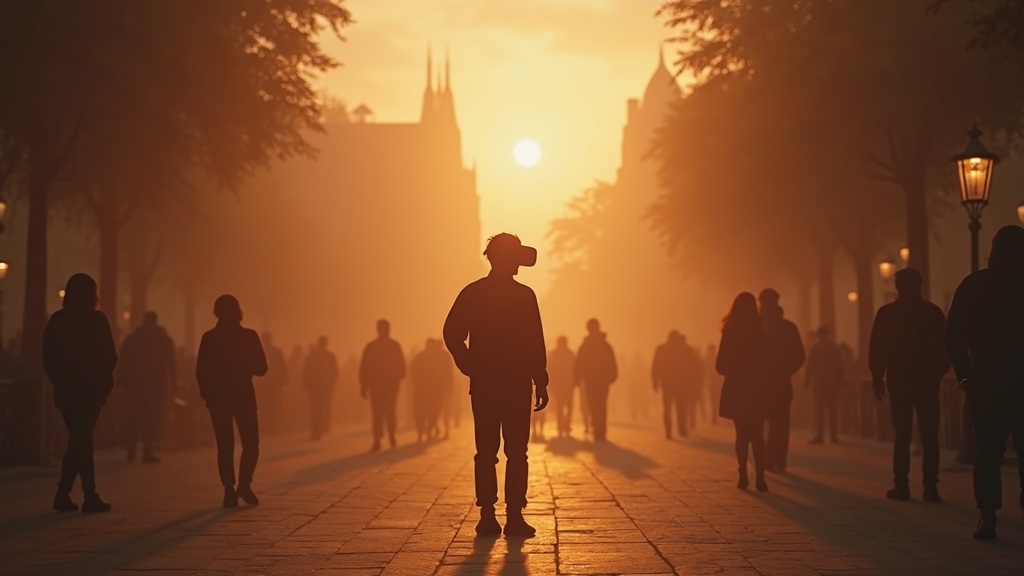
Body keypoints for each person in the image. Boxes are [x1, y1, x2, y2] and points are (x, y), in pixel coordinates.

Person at [443, 233, 549, 537]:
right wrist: (539, 379)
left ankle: (488, 515)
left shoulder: (474, 293)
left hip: (486, 385)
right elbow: (535, 342)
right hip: (515, 385)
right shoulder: (524, 296)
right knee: (517, 452)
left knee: (486, 452)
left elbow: (451, 333)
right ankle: (513, 516)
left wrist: (470, 365)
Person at [945, 225, 1024, 540]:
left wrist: (965, 374)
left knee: (988, 453)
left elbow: (954, 336)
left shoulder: (975, 285)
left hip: (988, 383)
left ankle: (988, 514)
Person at [869, 267, 947, 505]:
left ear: (897, 286)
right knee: (930, 436)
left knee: (902, 435)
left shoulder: (887, 314)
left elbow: (878, 348)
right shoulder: (933, 313)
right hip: (927, 383)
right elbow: (946, 347)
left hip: (899, 382)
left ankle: (901, 484)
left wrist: (877, 377)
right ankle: (931, 486)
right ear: (919, 285)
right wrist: (937, 373)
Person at [43, 273, 117, 513]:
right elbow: (110, 355)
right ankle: (88, 495)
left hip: (68, 391)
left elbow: (49, 359)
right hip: (91, 390)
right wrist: (102, 379)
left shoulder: (58, 321)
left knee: (79, 439)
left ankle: (64, 493)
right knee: (83, 440)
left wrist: (61, 379)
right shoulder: (97, 320)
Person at [196, 294, 268, 508]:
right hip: (236, 397)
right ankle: (239, 485)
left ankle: (234, 487)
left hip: (225, 399)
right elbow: (261, 368)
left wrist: (208, 395)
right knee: (247, 443)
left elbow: (201, 371)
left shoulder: (212, 338)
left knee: (228, 445)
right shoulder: (246, 337)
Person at [717, 292, 770, 492]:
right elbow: (768, 362)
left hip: (737, 388)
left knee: (742, 434)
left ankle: (743, 474)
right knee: (757, 435)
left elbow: (720, 365)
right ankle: (760, 475)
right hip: (756, 389)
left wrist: (734, 369)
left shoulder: (729, 332)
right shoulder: (760, 332)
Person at [117, 311, 176, 463]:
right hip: (156, 384)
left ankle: (131, 449)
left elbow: (123, 360)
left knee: (134, 415)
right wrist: (173, 384)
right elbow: (172, 362)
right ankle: (147, 450)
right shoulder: (163, 338)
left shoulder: (132, 338)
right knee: (152, 417)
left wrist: (120, 380)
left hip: (135, 384)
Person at [758, 288, 805, 472]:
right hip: (780, 382)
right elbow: (799, 356)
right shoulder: (789, 328)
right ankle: (777, 457)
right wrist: (786, 371)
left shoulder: (757, 327)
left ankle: (769, 457)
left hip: (763, 383)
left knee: (762, 422)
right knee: (781, 422)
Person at [359, 319, 406, 451]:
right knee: (389, 411)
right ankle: (390, 435)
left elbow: (364, 368)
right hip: (388, 386)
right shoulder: (394, 346)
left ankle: (379, 438)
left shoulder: (371, 347)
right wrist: (396, 378)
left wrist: (364, 386)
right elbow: (402, 368)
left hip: (378, 386)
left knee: (378, 412)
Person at [652, 331, 703, 439]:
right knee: (681, 408)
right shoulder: (685, 349)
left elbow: (655, 365)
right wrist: (692, 382)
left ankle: (668, 430)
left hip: (667, 383)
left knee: (667, 409)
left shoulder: (662, 349)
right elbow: (693, 366)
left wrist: (654, 380)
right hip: (681, 384)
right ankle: (682, 429)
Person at [574, 318, 617, 442]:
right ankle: (600, 430)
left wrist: (577, 378)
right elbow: (612, 362)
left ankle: (599, 430)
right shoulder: (604, 346)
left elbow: (578, 363)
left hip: (594, 380)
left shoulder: (587, 346)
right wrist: (613, 375)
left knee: (595, 405)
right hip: (599, 380)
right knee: (599, 405)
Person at [804, 325, 845, 444]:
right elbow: (839, 366)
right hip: (832, 383)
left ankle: (820, 435)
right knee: (832, 410)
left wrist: (807, 381)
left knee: (820, 410)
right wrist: (841, 381)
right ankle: (833, 435)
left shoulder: (815, 348)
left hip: (820, 383)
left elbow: (810, 366)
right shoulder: (833, 348)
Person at [410, 338, 453, 441]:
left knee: (423, 411)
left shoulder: (421, 356)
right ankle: (427, 429)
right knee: (432, 411)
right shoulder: (438, 357)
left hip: (426, 389)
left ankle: (424, 430)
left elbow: (413, 371)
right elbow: (448, 373)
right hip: (434, 390)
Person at [304, 336, 339, 441]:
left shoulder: (312, 356)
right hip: (324, 387)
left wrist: (307, 385)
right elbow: (335, 372)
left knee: (316, 409)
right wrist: (331, 383)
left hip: (316, 387)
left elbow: (306, 372)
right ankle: (322, 429)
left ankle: (317, 430)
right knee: (323, 408)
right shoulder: (330, 356)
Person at [258, 332, 288, 435]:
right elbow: (283, 366)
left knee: (272, 406)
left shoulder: (264, 351)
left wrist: (284, 380)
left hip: (270, 383)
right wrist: (285, 380)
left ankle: (272, 427)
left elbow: (282, 366)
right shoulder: (274, 351)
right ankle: (271, 427)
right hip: (269, 384)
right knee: (271, 406)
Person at [548, 336, 576, 437]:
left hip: (560, 385)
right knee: (567, 406)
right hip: (567, 384)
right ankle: (565, 425)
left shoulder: (554, 354)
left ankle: (561, 426)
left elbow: (550, 370)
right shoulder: (570, 354)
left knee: (561, 407)